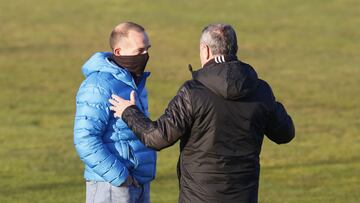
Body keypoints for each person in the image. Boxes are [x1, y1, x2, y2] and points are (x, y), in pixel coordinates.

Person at [109, 23, 295, 203]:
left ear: (205, 50)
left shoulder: (193, 92)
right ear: (235, 48)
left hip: (198, 196)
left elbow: (158, 137)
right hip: (244, 195)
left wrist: (129, 112)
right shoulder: (260, 90)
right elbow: (285, 133)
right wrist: (268, 100)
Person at [73, 22, 156, 203]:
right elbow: (85, 138)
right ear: (118, 52)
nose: (145, 56)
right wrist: (120, 177)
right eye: (140, 50)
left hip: (139, 182)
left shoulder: (136, 82)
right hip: (111, 185)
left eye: (147, 49)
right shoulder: (98, 86)